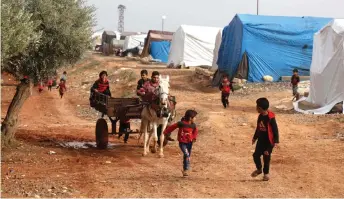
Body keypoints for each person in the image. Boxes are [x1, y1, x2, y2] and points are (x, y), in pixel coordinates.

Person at [251, 98, 279, 181]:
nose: (256, 108)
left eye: (257, 106)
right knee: (256, 155)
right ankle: (259, 169)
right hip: (261, 140)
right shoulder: (260, 116)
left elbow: (275, 129)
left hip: (269, 142)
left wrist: (276, 141)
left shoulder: (270, 118)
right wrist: (255, 137)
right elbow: (258, 128)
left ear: (260, 108)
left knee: (266, 157)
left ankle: (266, 174)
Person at [163, 110, 198, 177]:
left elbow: (195, 131)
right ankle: (187, 168)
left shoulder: (193, 125)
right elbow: (172, 127)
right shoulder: (181, 123)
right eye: (194, 117)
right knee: (186, 154)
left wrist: (194, 138)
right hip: (182, 143)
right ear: (190, 118)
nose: (195, 119)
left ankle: (185, 170)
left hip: (189, 143)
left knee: (186, 156)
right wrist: (166, 132)